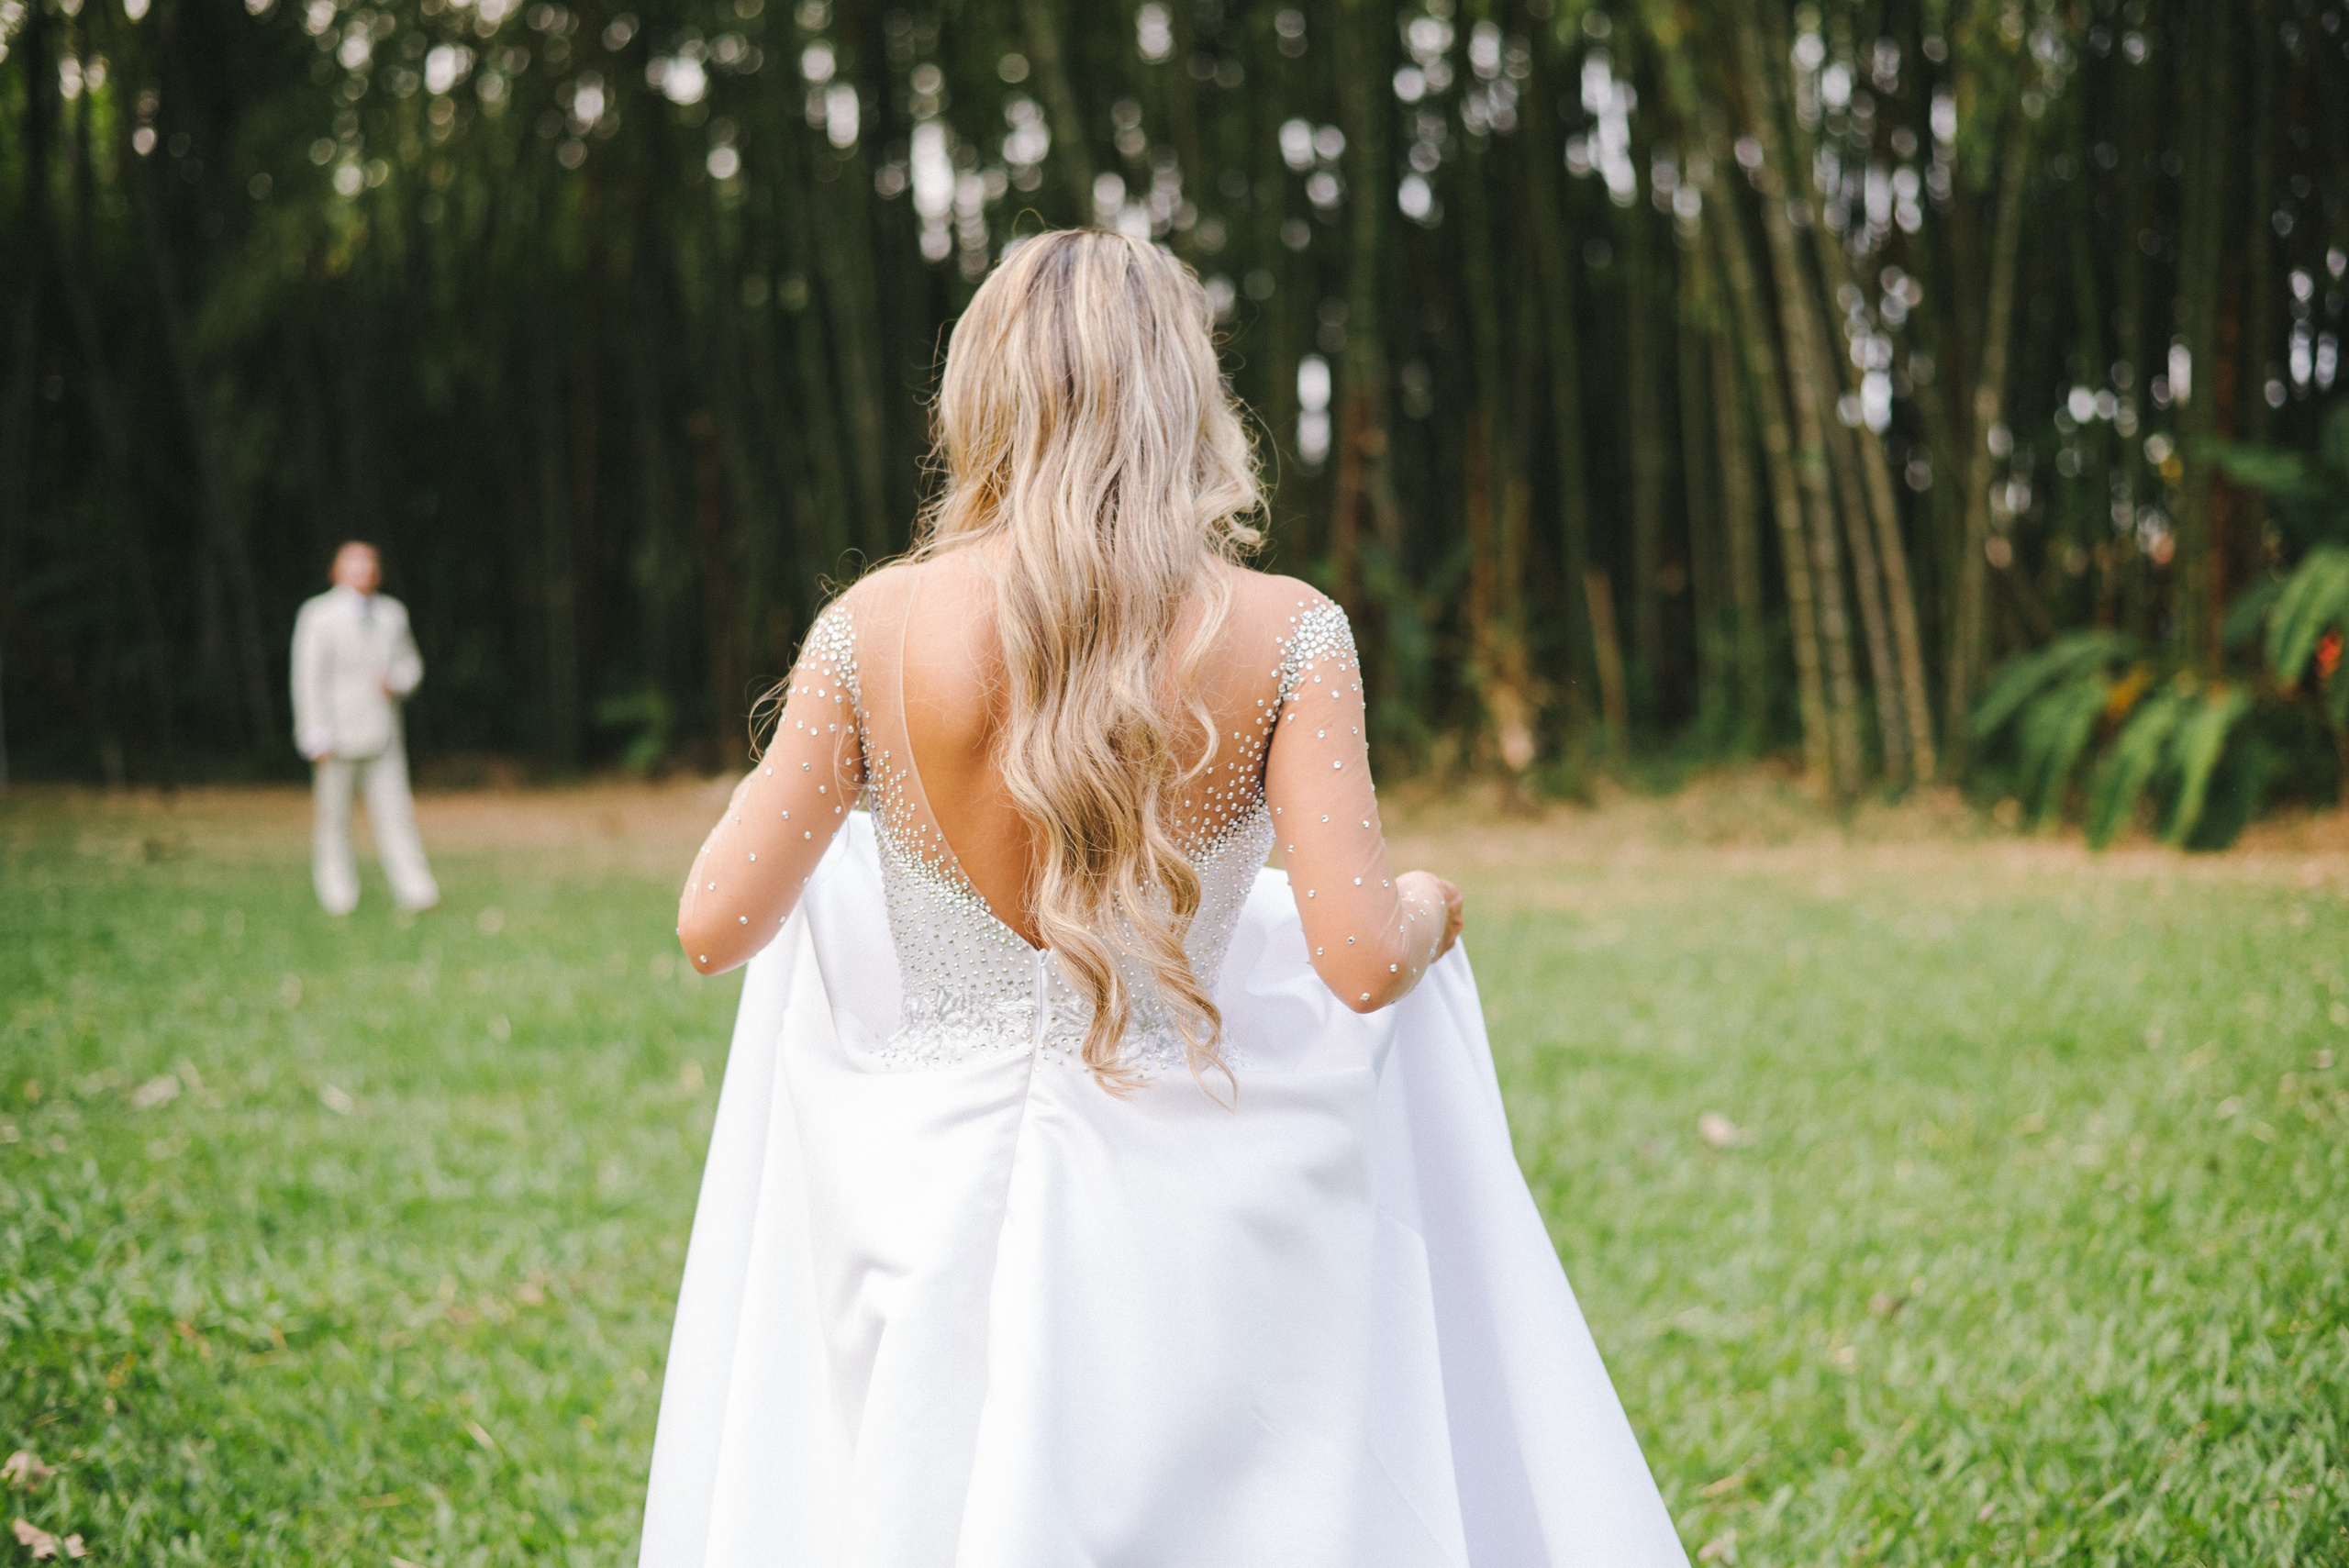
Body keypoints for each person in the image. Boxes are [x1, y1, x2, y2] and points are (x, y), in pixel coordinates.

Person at [640, 231, 1687, 1567]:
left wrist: (865, 783)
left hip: (918, 1200)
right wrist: (1432, 900)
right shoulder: (1289, 630)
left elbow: (713, 923)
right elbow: (1363, 960)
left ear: (982, 396)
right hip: (1197, 1194)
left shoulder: (869, 629)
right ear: (1188, 399)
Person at [289, 540, 440, 916]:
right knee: (333, 819)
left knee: (396, 815)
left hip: (384, 733)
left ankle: (416, 891)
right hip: (335, 735)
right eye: (354, 564)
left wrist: (398, 681)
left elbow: (411, 665)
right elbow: (308, 678)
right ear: (337, 571)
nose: (364, 571)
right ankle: (337, 896)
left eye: (369, 564)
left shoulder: (393, 614)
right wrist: (313, 733)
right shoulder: (318, 615)